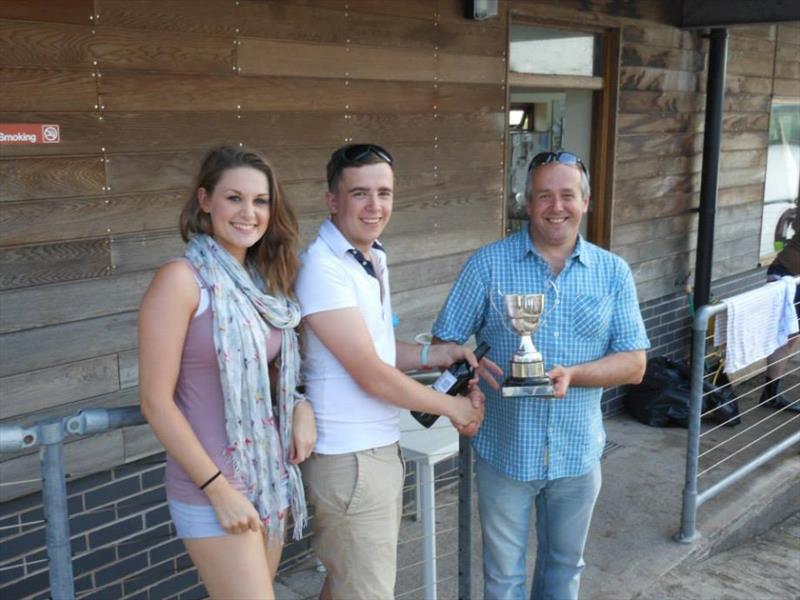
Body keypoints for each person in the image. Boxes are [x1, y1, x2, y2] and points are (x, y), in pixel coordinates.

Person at [432, 151, 650, 600]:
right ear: (527, 203)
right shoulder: (488, 264)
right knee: (502, 578)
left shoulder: (612, 273)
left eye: (567, 195)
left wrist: (575, 373)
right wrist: (467, 376)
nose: (556, 206)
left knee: (564, 570)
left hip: (577, 453)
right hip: (505, 452)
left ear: (584, 202)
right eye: (544, 195)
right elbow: (446, 344)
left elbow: (634, 363)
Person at [294, 143, 490, 600]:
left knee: (347, 586)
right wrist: (454, 408)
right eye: (360, 193)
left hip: (373, 451)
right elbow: (370, 375)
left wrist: (432, 357)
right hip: (351, 460)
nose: (375, 205)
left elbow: (375, 351)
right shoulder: (323, 268)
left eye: (384, 192)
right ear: (332, 200)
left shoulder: (370, 256)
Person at [139, 146, 316, 599]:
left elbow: (273, 373)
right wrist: (218, 489)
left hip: (269, 481)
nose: (248, 212)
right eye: (233, 198)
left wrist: (299, 406)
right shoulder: (180, 280)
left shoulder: (263, 282)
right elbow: (156, 402)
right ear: (204, 201)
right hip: (214, 489)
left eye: (260, 201)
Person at [762, 211, 800, 412]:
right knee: (786, 335)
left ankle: (771, 393)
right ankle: (771, 394)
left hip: (793, 277)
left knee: (792, 338)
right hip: (787, 275)